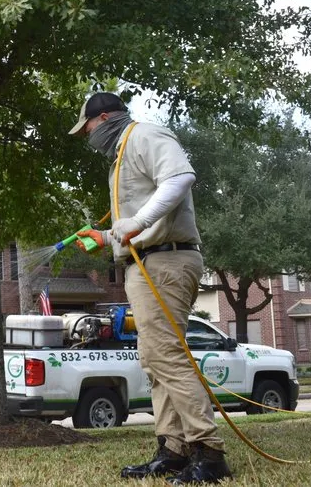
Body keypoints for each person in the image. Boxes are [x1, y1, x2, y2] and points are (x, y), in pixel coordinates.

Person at [69, 92, 231, 485]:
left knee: (167, 357)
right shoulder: (124, 153)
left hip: (166, 262)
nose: (88, 136)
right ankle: (173, 449)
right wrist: (106, 237)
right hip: (149, 262)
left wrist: (137, 221)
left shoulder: (145, 136)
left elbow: (180, 178)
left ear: (103, 117)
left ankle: (208, 453)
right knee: (155, 359)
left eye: (87, 127)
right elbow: (136, 225)